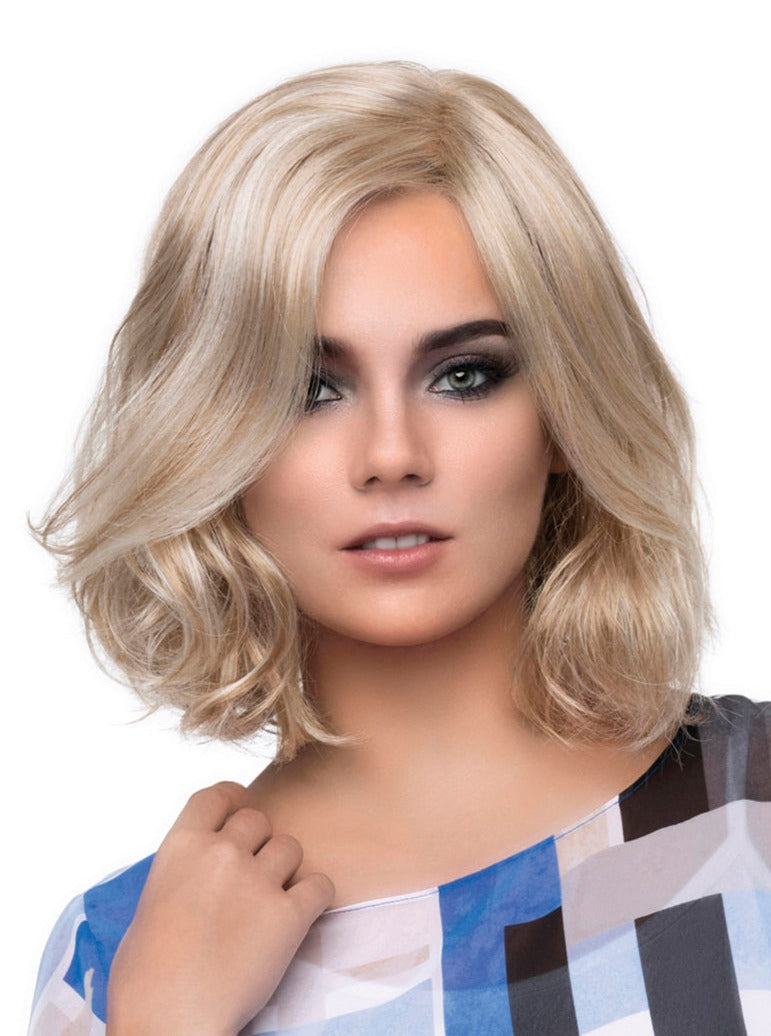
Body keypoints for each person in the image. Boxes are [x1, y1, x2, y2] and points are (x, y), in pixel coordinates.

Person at [28, 61, 770, 1035]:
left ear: (563, 413)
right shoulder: (116, 959)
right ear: (213, 438)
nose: (390, 455)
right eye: (309, 389)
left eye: (463, 375)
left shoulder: (753, 806)